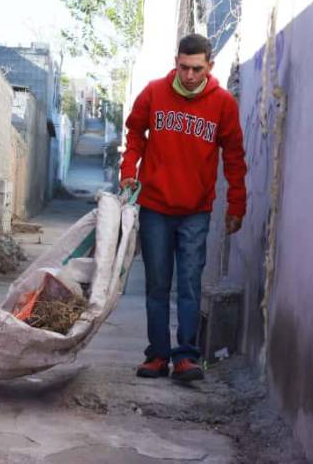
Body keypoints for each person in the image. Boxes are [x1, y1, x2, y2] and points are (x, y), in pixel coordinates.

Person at [120, 34, 247, 382]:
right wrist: (128, 173)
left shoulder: (222, 104)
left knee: (190, 284)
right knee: (157, 285)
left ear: (210, 66)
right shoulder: (154, 92)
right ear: (175, 61)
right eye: (183, 67)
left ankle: (187, 357)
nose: (189, 75)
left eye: (197, 69)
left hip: (195, 210)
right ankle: (158, 355)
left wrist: (237, 203)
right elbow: (134, 135)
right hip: (155, 207)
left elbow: (235, 156)